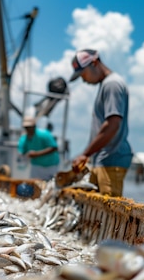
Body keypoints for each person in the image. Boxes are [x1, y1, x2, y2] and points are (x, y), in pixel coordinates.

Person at [69, 49, 133, 197]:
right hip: (102, 159)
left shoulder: (112, 85)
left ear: (95, 63)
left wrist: (85, 154)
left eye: (83, 74)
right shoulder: (106, 85)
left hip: (112, 158)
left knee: (111, 213)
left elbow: (112, 124)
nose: (83, 80)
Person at [17, 115, 60, 181]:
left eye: (29, 127)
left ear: (34, 126)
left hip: (51, 166)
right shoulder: (23, 139)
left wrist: (37, 154)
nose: (28, 129)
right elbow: (22, 151)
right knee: (34, 186)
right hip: (36, 167)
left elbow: (54, 148)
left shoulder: (44, 134)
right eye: (26, 127)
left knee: (51, 187)